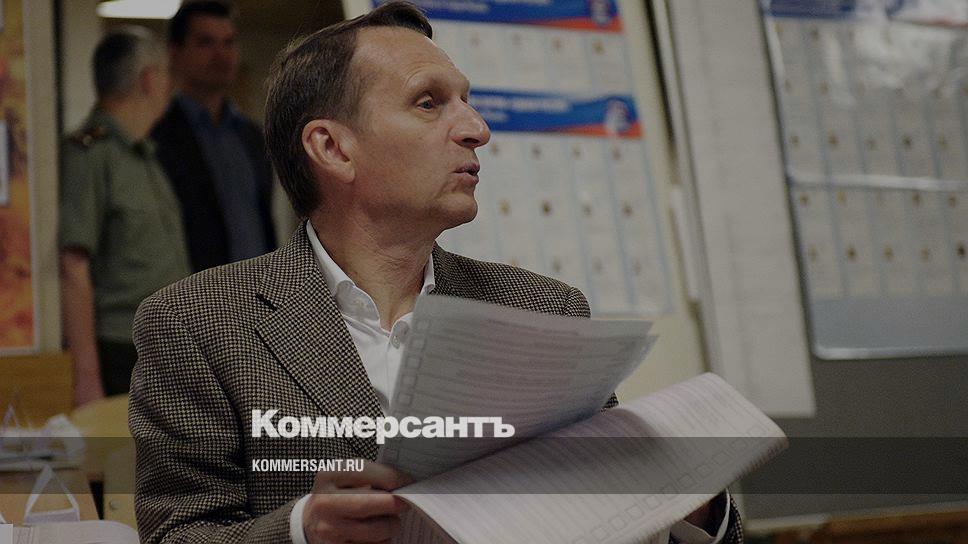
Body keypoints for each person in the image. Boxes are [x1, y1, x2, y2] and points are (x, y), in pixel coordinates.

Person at [129, 3, 741, 543]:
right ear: (333, 148)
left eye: (467, 101)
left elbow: (613, 513)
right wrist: (303, 530)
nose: (477, 129)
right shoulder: (196, 323)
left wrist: (689, 504)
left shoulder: (543, 310)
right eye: (429, 103)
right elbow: (178, 533)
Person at [59, 27, 191, 406]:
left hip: (164, 343)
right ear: (148, 79)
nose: (170, 86)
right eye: (166, 74)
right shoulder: (90, 154)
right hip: (120, 349)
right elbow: (73, 266)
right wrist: (87, 377)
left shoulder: (144, 154)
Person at [151, 0, 276, 272]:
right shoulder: (157, 137)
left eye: (229, 43)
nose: (221, 55)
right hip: (192, 289)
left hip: (259, 288)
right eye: (206, 43)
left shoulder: (253, 137)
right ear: (175, 52)